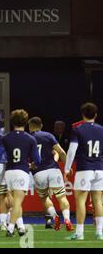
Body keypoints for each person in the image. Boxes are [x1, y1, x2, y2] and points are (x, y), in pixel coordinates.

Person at [0, 109, 41, 237]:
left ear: (12, 122)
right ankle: (11, 228)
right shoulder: (30, 139)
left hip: (9, 172)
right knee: (18, 202)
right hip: (22, 171)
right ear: (25, 122)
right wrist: (32, 164)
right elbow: (38, 159)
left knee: (14, 202)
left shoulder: (6, 137)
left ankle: (21, 227)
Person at [65, 103, 103, 240]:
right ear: (96, 115)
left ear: (82, 115)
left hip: (84, 168)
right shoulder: (101, 129)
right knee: (98, 201)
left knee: (81, 201)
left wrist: (67, 168)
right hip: (99, 168)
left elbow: (71, 151)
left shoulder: (78, 130)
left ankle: (79, 233)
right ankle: (99, 232)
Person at [28, 116, 73, 231]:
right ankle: (67, 219)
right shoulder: (48, 136)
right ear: (41, 126)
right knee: (62, 197)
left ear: (30, 127)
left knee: (45, 197)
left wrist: (28, 166)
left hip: (38, 172)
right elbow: (61, 152)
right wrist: (68, 167)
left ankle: (55, 217)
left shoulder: (27, 138)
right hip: (53, 170)